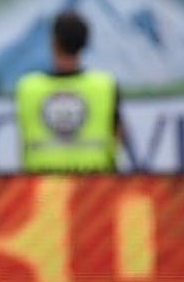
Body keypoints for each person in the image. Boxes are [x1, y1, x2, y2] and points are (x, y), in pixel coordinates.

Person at [15, 10, 121, 173]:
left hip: (43, 191)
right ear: (85, 43)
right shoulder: (105, 86)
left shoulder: (28, 88)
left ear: (54, 43)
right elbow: (117, 137)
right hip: (95, 190)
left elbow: (22, 142)